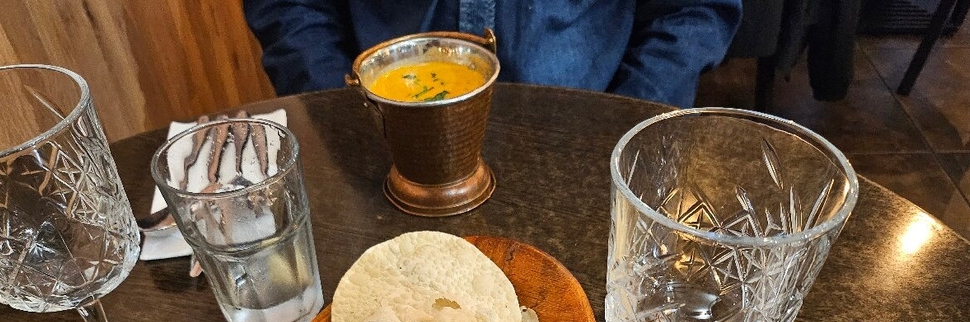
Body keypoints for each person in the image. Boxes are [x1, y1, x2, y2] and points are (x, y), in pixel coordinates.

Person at [243, 0, 742, 109]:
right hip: (375, 142)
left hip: (588, 150)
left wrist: (621, 126)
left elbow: (692, 10)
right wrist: (340, 112)